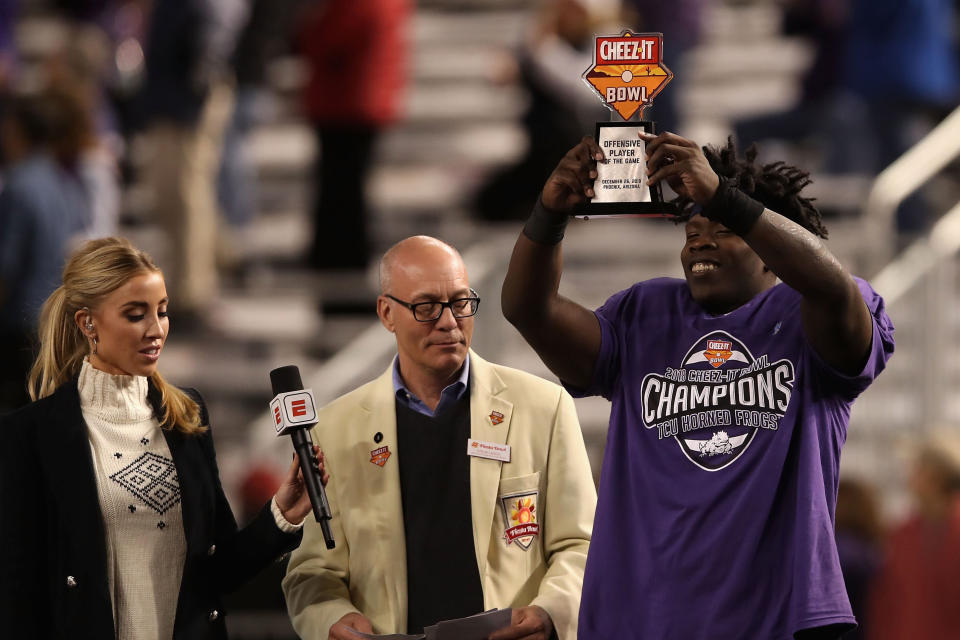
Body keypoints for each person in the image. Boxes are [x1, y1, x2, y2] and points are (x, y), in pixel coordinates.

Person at [501, 133, 895, 639]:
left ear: (772, 252)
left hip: (774, 614)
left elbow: (831, 285)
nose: (700, 241)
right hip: (637, 613)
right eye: (692, 231)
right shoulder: (644, 313)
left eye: (723, 229)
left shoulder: (807, 309)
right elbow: (528, 309)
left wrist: (723, 195)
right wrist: (549, 214)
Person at [0, 236, 320, 639]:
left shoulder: (185, 415)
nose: (156, 329)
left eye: (163, 312)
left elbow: (215, 571)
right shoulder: (28, 435)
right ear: (88, 323)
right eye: (136, 315)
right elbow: (16, 595)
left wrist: (282, 514)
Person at [282, 236, 596, 639]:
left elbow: (582, 544)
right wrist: (331, 619)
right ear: (386, 313)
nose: (449, 321)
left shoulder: (545, 407)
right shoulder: (333, 429)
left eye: (461, 303)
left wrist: (551, 611)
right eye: (427, 307)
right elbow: (312, 572)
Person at [868, 431, 960, 639]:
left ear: (937, 477)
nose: (909, 478)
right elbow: (886, 601)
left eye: (917, 470)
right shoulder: (901, 534)